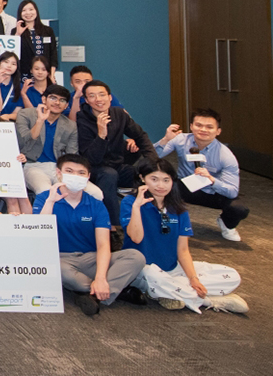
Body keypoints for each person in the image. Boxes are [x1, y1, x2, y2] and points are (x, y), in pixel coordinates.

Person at [122, 161, 247, 313]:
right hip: (143, 270)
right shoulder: (129, 202)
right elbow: (136, 238)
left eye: (166, 180)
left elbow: (183, 250)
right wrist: (136, 207)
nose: (160, 185)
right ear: (142, 178)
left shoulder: (179, 208)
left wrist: (193, 279)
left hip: (173, 268)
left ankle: (175, 291)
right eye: (154, 179)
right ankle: (210, 300)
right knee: (154, 276)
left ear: (172, 181)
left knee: (232, 276)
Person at [34, 154, 146, 316]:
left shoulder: (96, 205)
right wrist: (50, 202)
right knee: (56, 270)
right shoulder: (44, 198)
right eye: (69, 171)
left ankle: (91, 293)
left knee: (135, 257)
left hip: (90, 258)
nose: (75, 176)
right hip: (58, 258)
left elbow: (103, 245)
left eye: (81, 173)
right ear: (58, 173)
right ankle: (113, 290)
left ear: (88, 177)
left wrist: (100, 277)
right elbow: (38, 235)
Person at [155, 108, 249, 241]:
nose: (203, 130)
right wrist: (165, 139)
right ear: (191, 126)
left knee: (239, 208)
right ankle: (164, 222)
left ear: (218, 131)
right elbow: (151, 157)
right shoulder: (181, 140)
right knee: (160, 185)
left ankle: (226, 223)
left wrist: (211, 180)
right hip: (186, 187)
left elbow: (233, 191)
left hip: (214, 192)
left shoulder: (226, 155)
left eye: (209, 127)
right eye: (198, 125)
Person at [77, 80, 157, 227]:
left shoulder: (119, 114)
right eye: (92, 96)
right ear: (87, 100)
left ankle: (150, 218)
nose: (98, 99)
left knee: (144, 173)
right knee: (109, 175)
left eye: (102, 95)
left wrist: (153, 163)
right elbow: (91, 159)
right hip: (94, 169)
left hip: (117, 165)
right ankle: (113, 226)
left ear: (110, 97)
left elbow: (140, 136)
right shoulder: (81, 119)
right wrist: (101, 135)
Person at [17, 85, 102, 199]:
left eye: (62, 100)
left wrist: (72, 173)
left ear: (66, 105)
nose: (57, 103)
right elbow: (22, 142)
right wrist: (40, 120)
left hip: (59, 168)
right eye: (53, 98)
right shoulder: (26, 115)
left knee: (95, 193)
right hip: (32, 165)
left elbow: (72, 154)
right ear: (43, 99)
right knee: (46, 191)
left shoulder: (70, 125)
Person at [16, 0, 58, 74]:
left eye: (31, 9)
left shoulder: (47, 31)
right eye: (24, 10)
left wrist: (52, 74)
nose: (28, 13)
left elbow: (53, 53)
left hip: (45, 73)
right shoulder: (15, 31)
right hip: (24, 74)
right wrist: (18, 34)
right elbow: (13, 54)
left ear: (36, 11)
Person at [0, 51, 24, 120]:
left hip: (10, 124)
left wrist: (7, 117)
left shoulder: (19, 87)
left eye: (13, 64)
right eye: (6, 62)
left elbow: (17, 113)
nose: (9, 66)